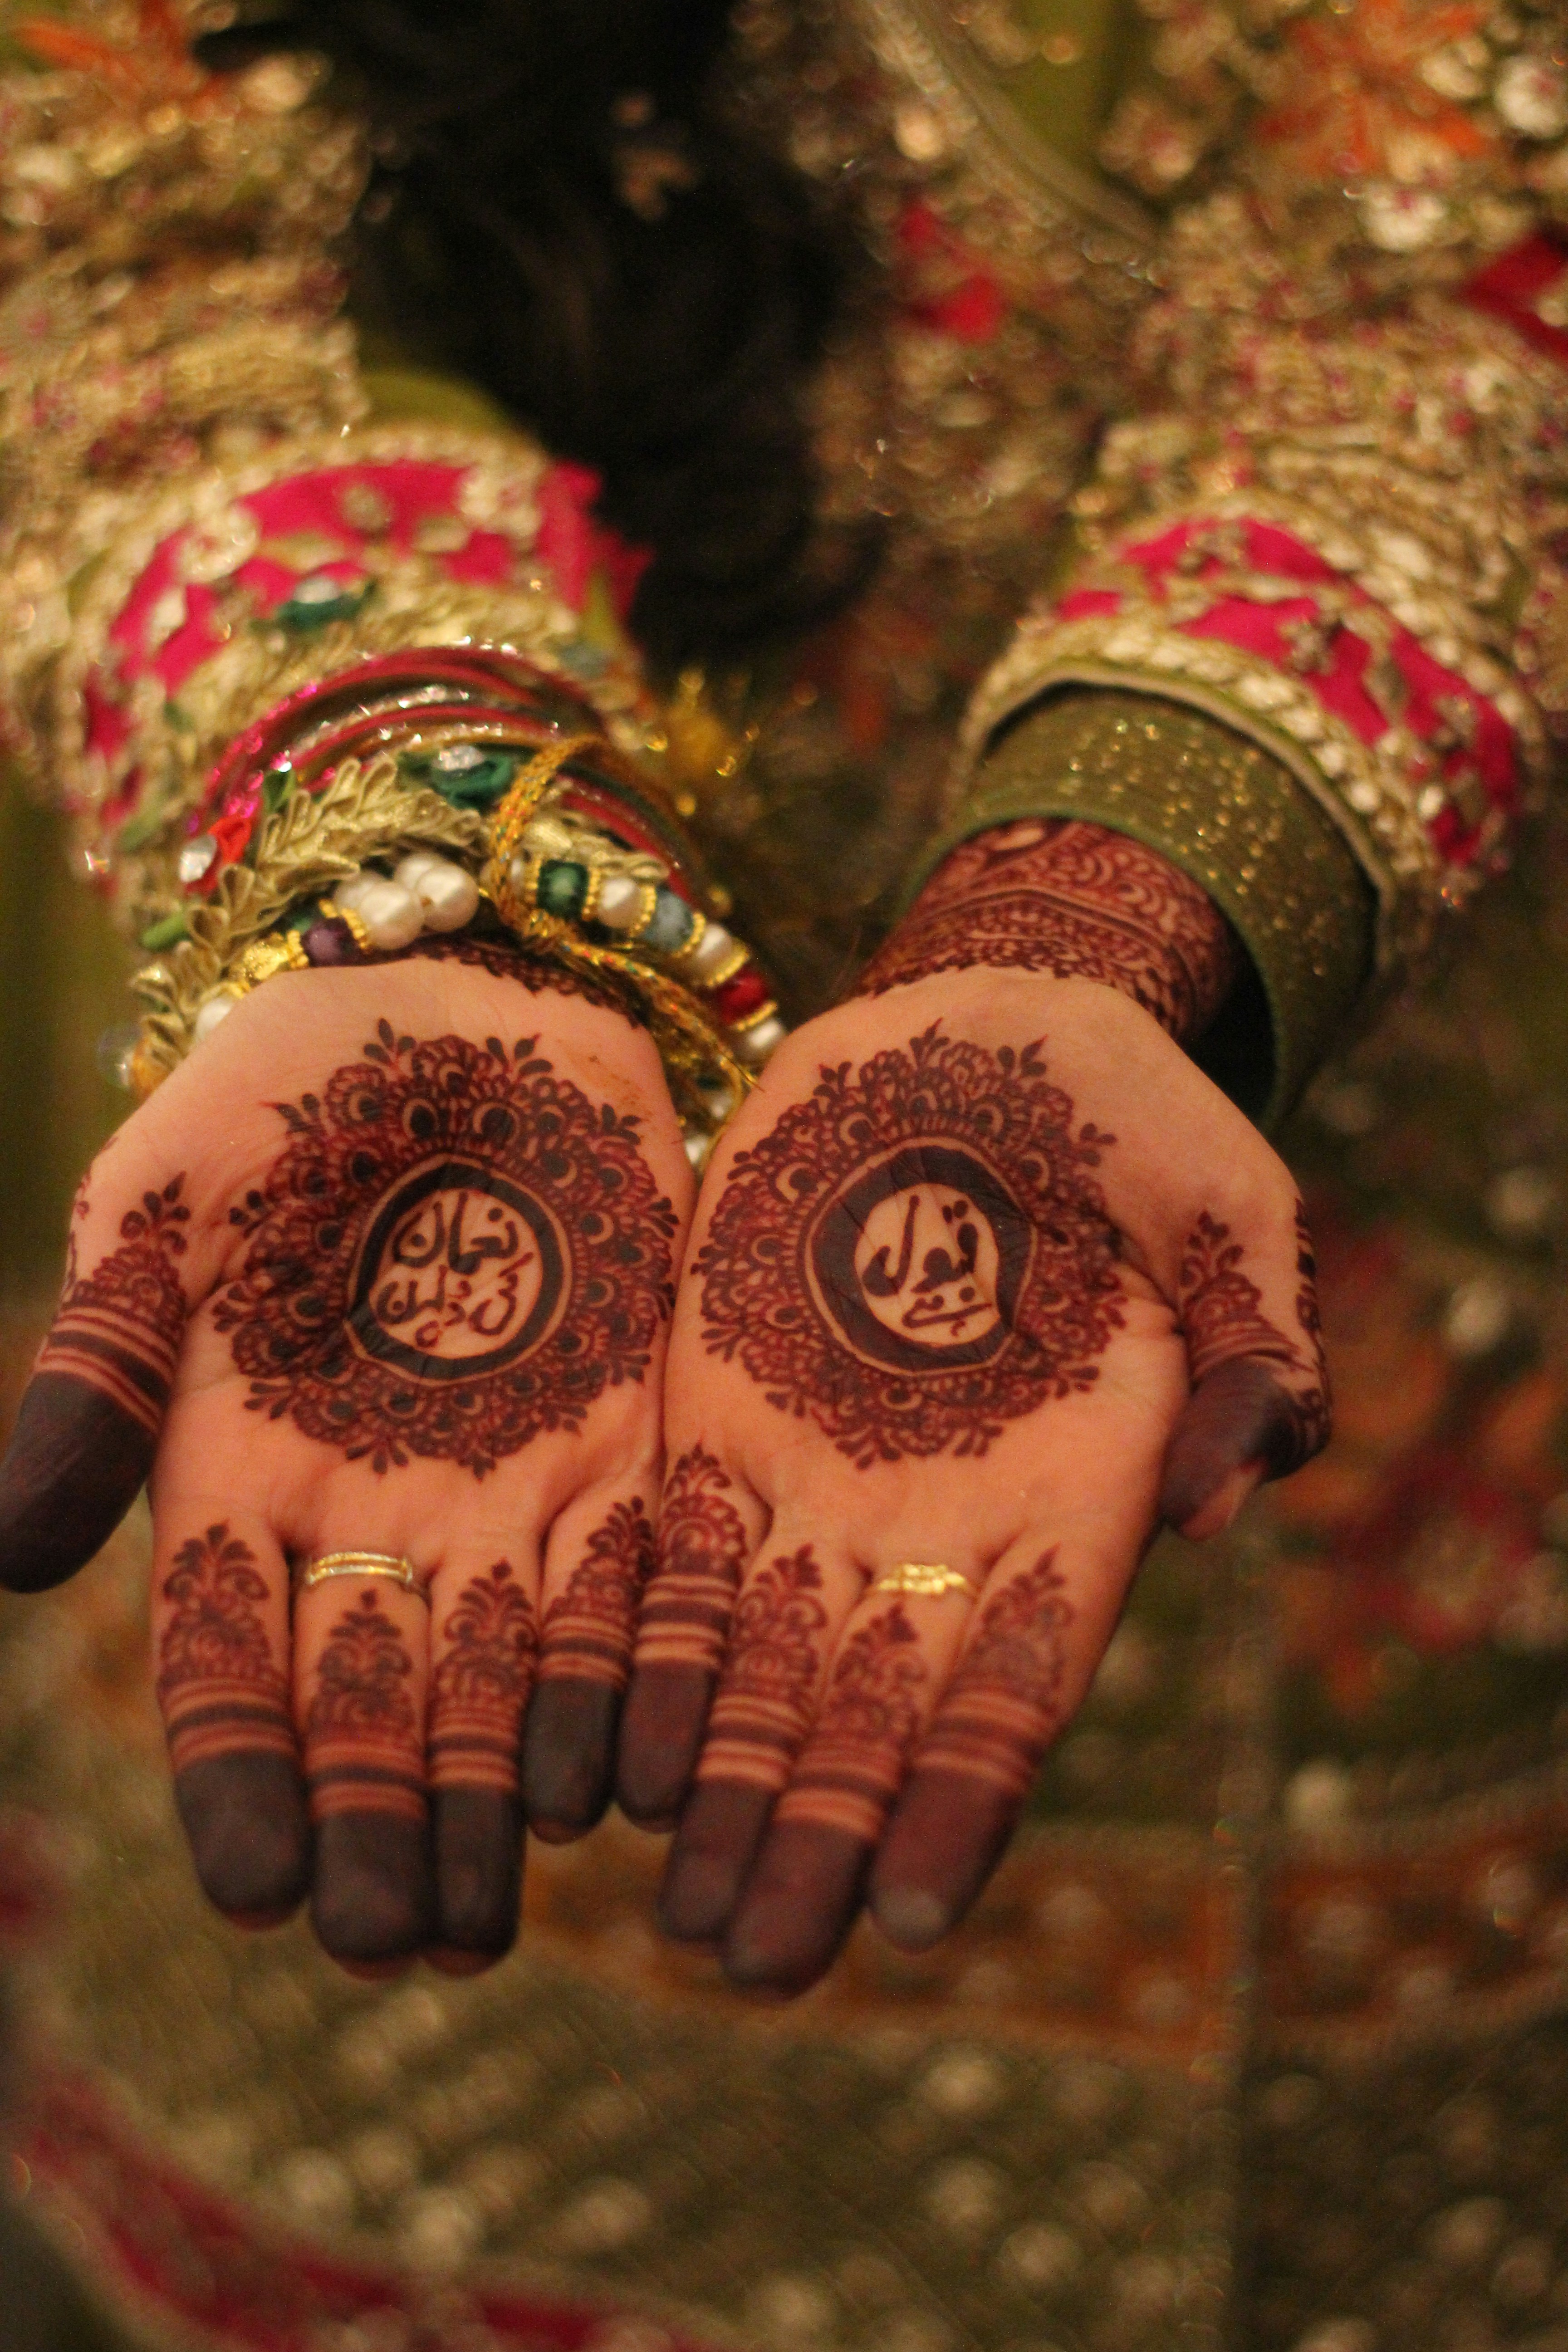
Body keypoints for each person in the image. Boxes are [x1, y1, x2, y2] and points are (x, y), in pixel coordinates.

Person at [0, 2, 1564, 2346]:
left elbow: (1447, 319)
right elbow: (131, 277)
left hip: (1308, 1369)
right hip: (385, 1419)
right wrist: (426, 831)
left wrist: (1095, 918)